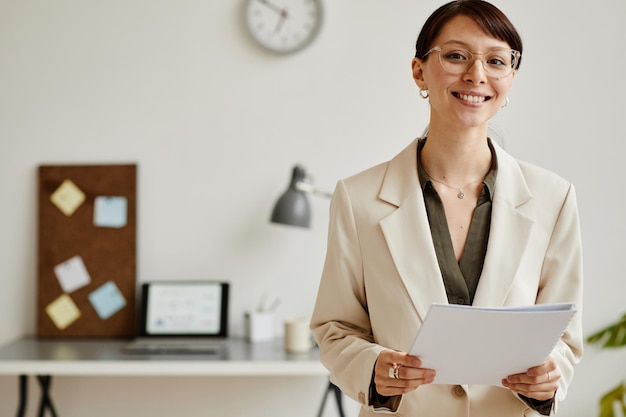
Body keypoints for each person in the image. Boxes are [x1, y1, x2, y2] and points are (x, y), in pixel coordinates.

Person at [309, 1, 583, 416]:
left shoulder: (553, 198)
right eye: (456, 56)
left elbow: (564, 339)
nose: (476, 74)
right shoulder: (358, 198)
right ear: (419, 71)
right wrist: (372, 369)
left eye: (496, 60)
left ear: (511, 77)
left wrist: (548, 379)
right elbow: (336, 328)